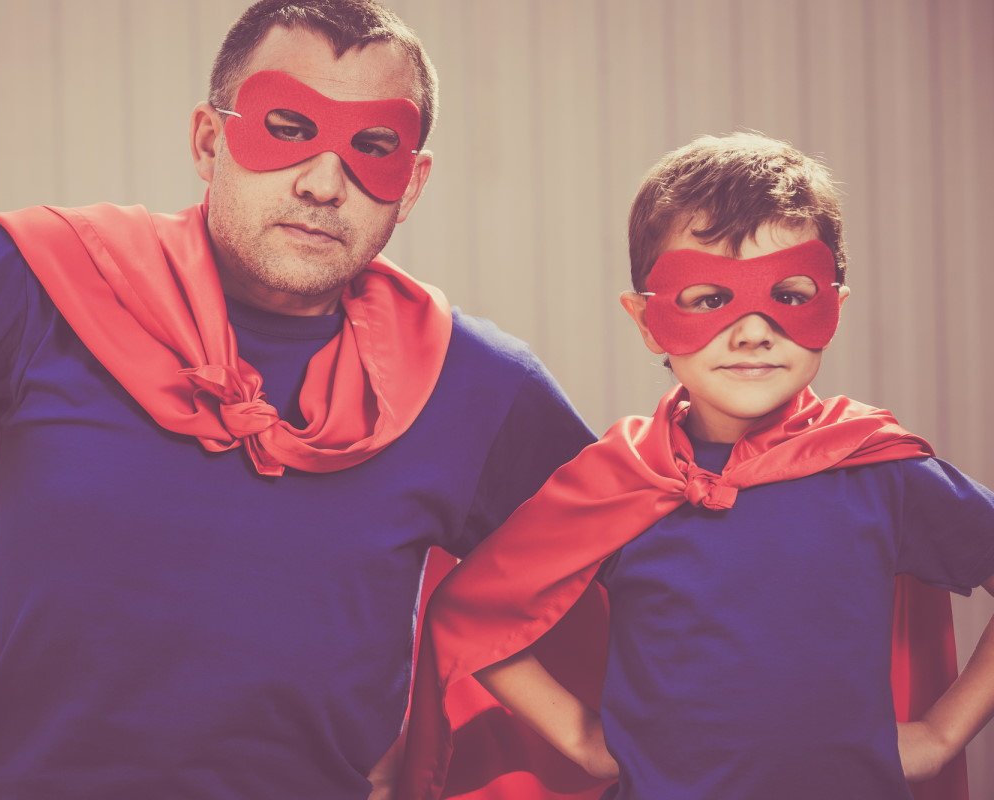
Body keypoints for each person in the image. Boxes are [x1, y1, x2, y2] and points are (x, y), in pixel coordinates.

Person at [0, 2, 594, 798]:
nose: (324, 184)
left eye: (373, 149)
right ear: (210, 142)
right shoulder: (40, 281)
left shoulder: (472, 381)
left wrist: (464, 738)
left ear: (411, 184)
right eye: (288, 129)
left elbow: (638, 572)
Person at [398, 132, 994, 800]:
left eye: (790, 294)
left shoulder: (878, 471)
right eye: (709, 299)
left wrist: (942, 733)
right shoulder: (621, 480)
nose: (753, 331)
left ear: (835, 306)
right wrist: (583, 740)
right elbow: (470, 612)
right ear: (647, 320)